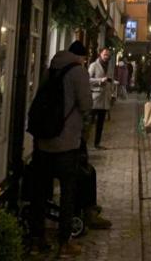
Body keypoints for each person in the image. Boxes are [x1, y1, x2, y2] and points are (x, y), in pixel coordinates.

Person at [29, 39, 92, 257]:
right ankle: (64, 242)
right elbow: (86, 104)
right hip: (66, 142)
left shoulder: (50, 70)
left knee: (39, 192)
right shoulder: (78, 72)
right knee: (67, 193)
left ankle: (36, 239)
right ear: (81, 57)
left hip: (43, 140)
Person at [88, 47, 113, 148]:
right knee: (90, 123)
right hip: (95, 98)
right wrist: (99, 80)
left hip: (105, 99)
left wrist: (112, 83)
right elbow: (88, 79)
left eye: (108, 55)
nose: (106, 56)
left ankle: (97, 143)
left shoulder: (109, 66)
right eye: (105, 54)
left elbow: (109, 79)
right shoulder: (94, 65)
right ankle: (84, 144)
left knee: (100, 124)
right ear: (100, 54)